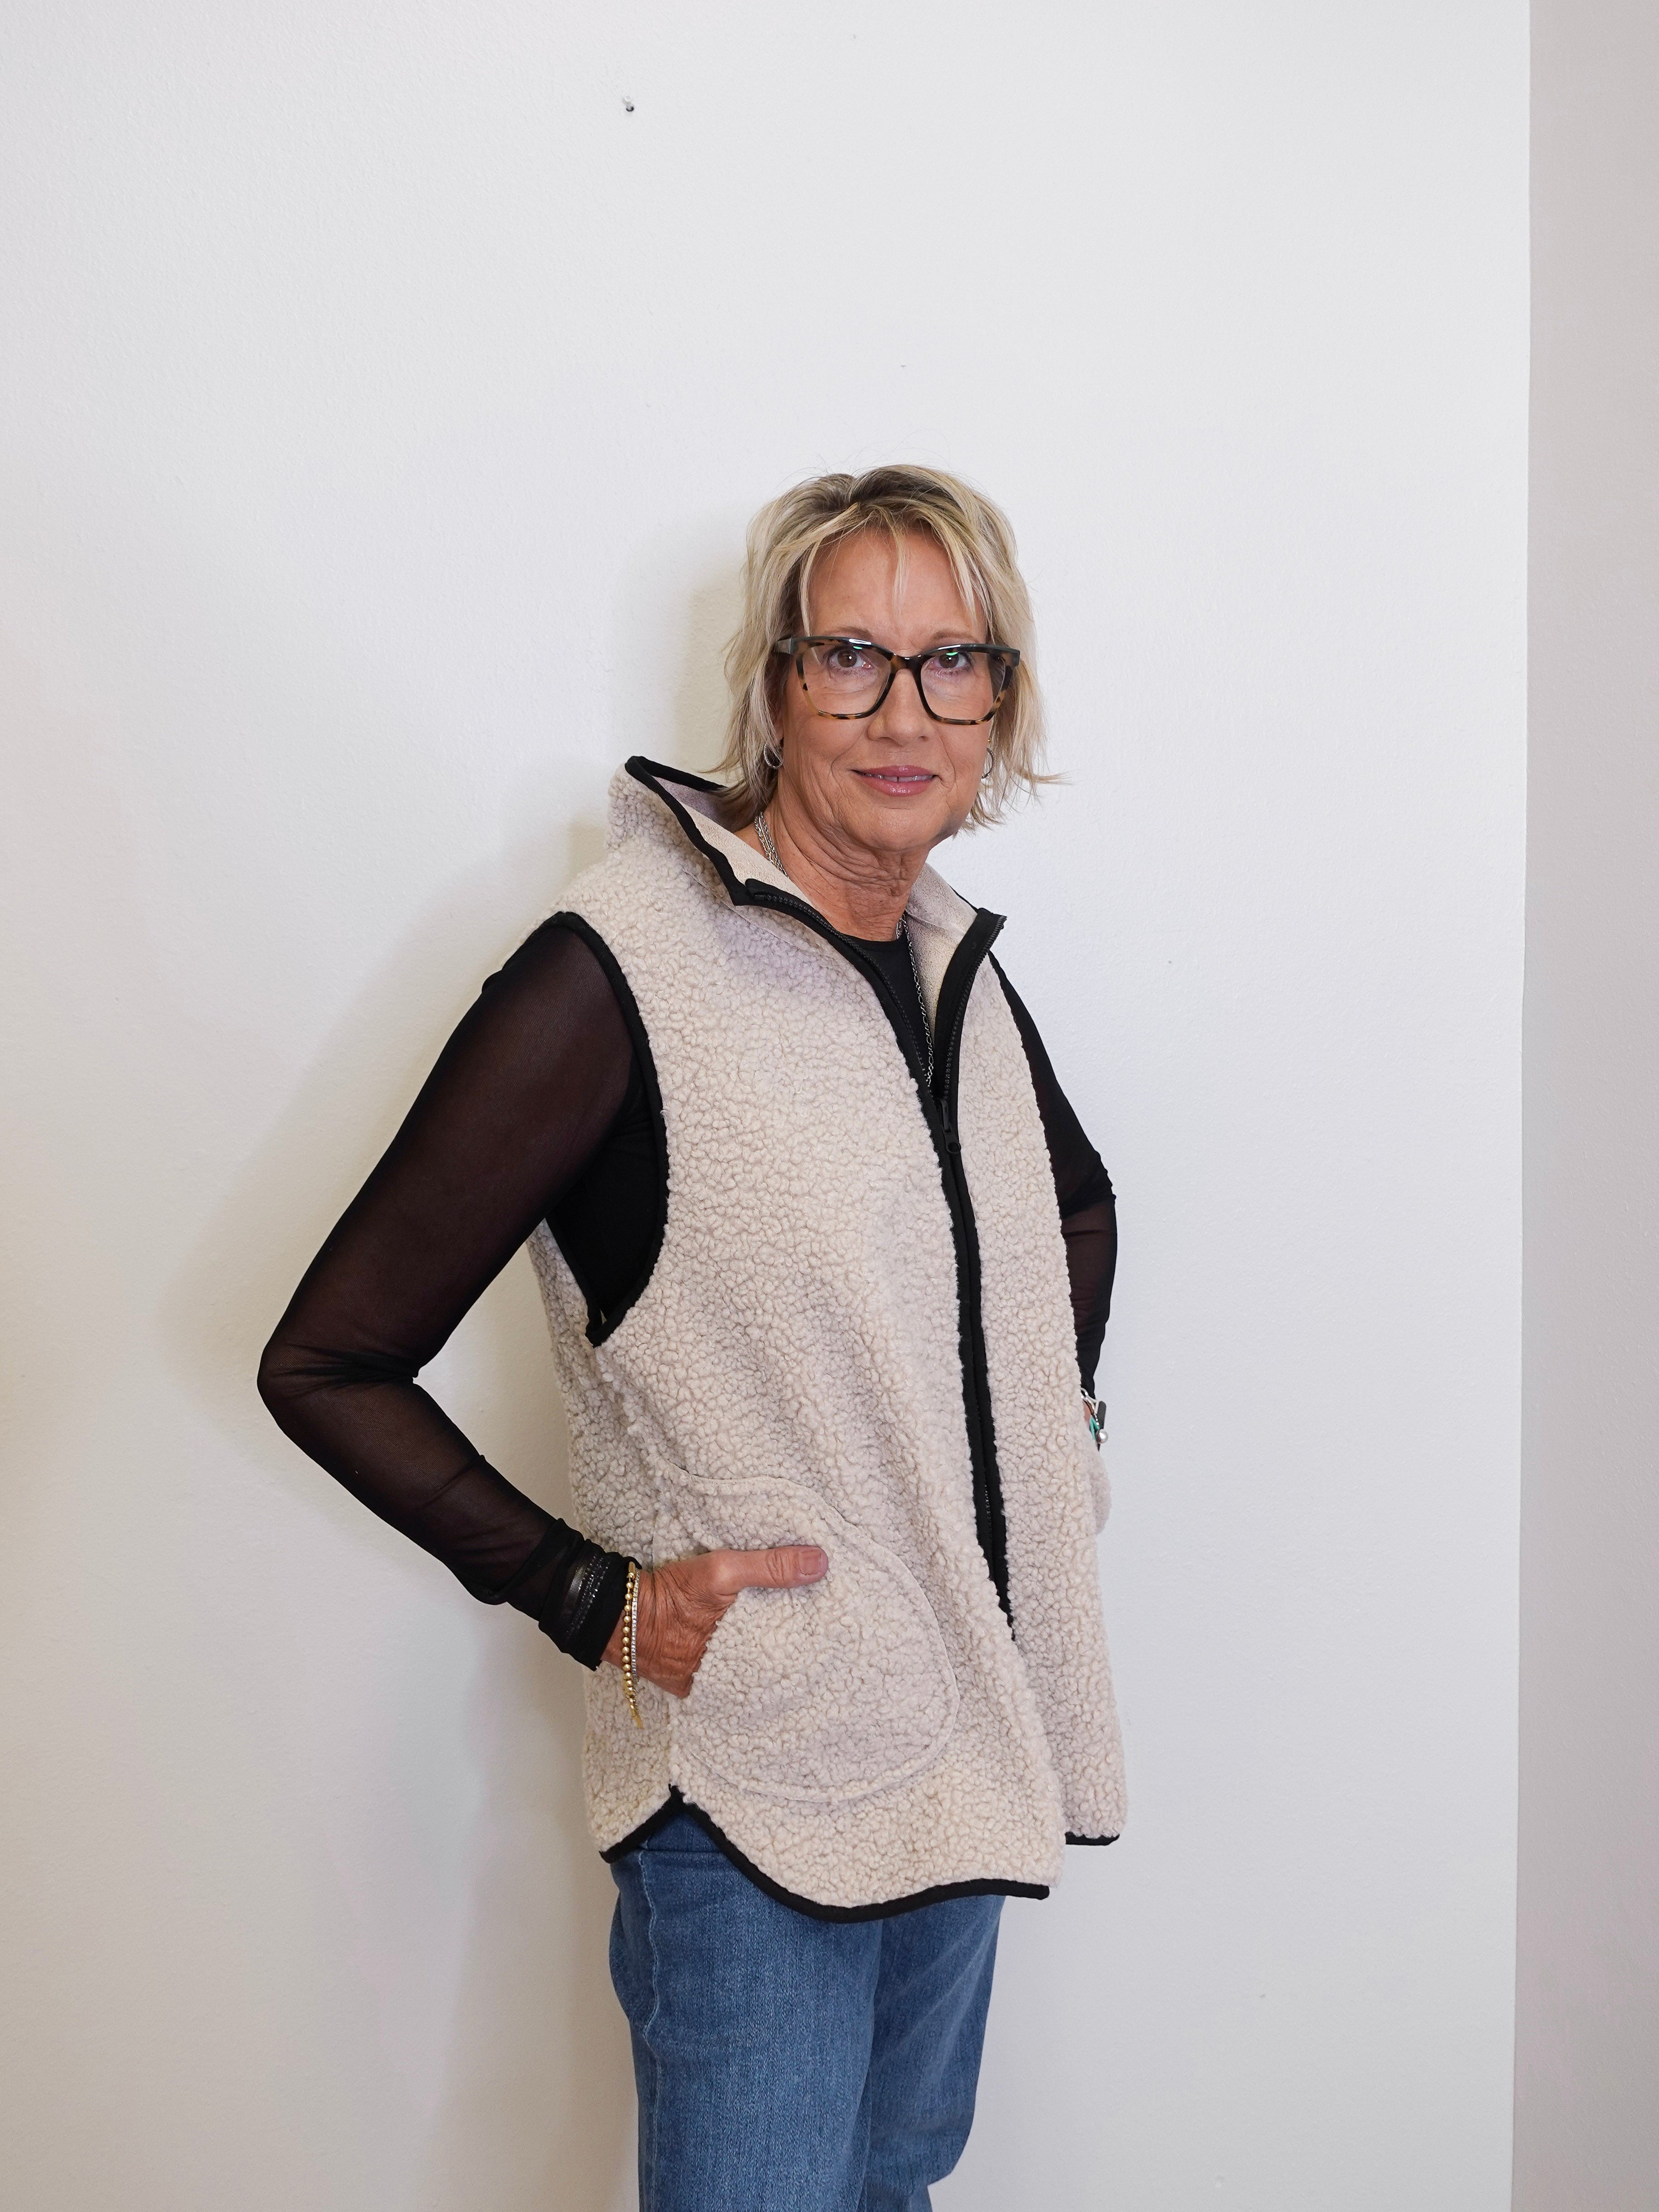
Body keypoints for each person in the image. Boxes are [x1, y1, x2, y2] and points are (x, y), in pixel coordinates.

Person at [259, 463, 1126, 2211]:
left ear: (1001, 703)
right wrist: (596, 1599)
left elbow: (1067, 1217)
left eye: (956, 663)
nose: (905, 712)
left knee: (890, 2190)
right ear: (773, 687)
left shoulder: (952, 963)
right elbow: (329, 1357)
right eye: (850, 658)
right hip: (758, 1779)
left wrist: (1045, 1453)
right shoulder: (621, 968)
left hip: (965, 1734)